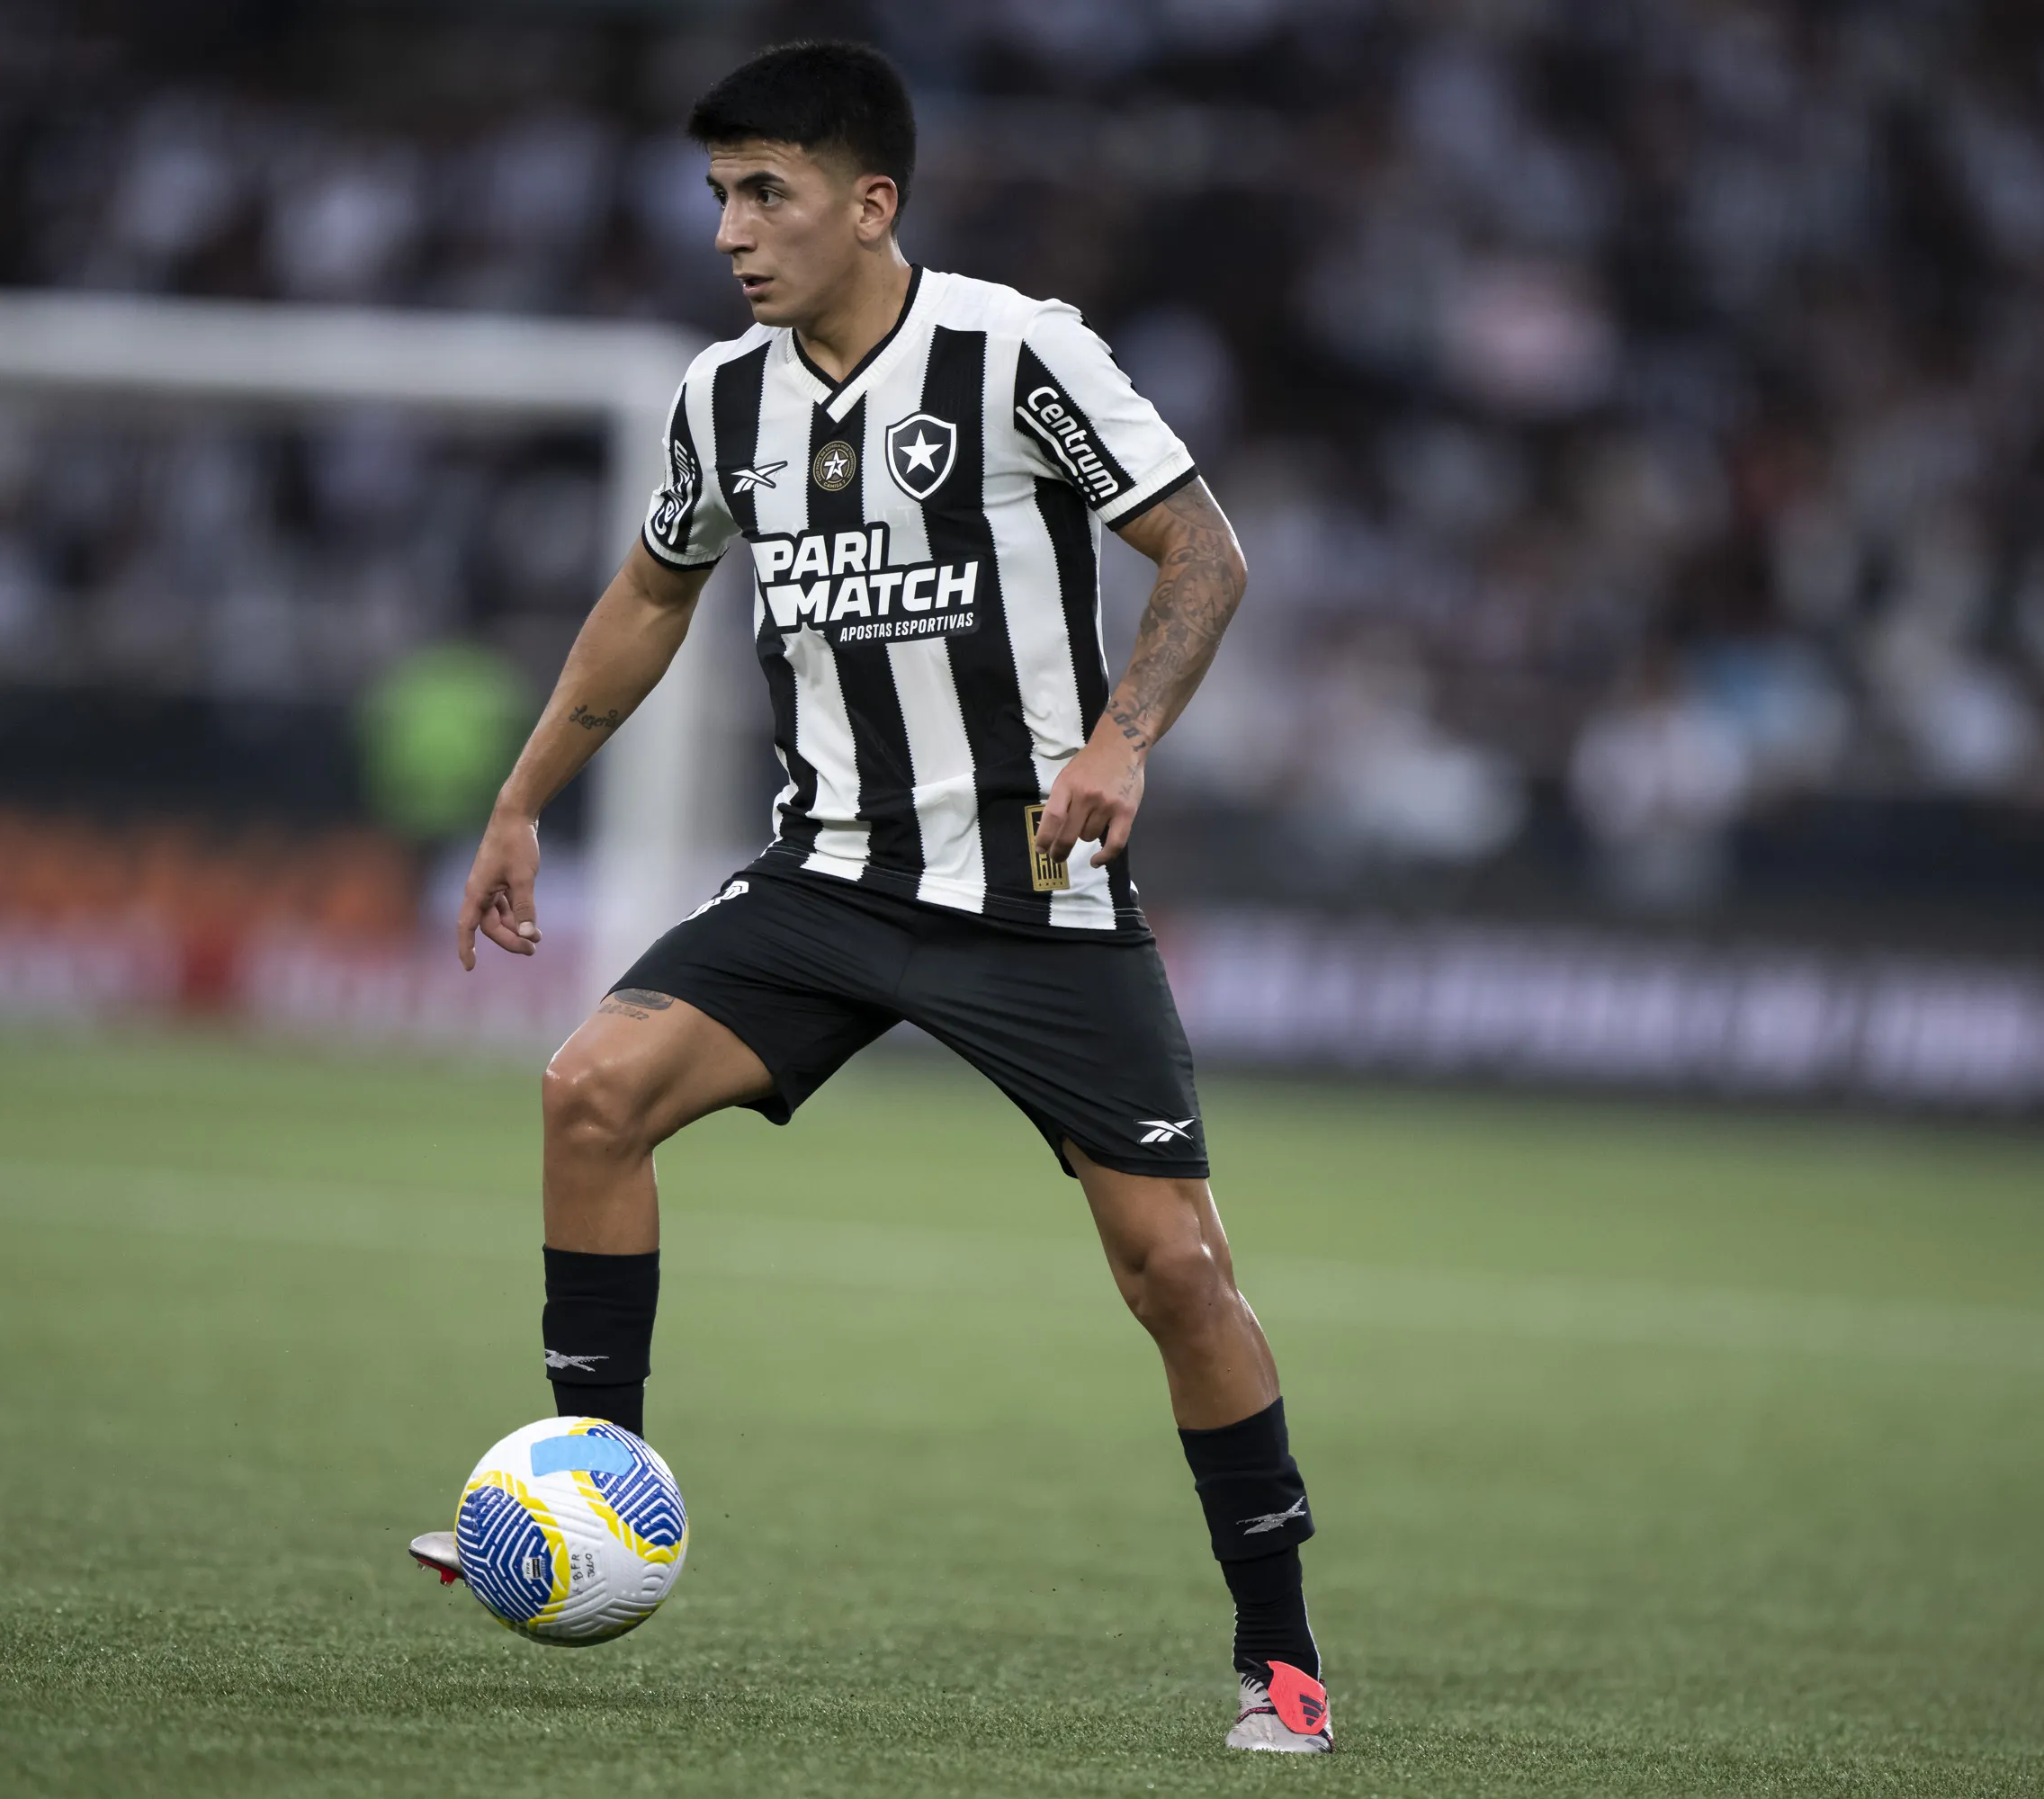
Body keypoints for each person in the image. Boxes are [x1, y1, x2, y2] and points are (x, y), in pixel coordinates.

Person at [408, 40, 1331, 1754]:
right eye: (718, 197)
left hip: (1035, 893)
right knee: (590, 1091)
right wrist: (523, 799)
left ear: (870, 202)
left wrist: (1122, 740)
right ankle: (586, 1488)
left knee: (1175, 1273)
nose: (731, 233)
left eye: (767, 194)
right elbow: (650, 596)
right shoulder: (721, 402)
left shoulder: (1016, 351)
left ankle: (1280, 1661)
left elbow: (1205, 551)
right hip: (827, 876)